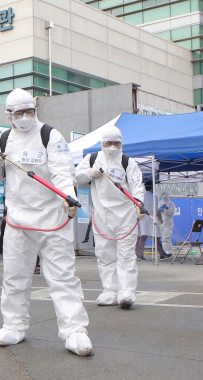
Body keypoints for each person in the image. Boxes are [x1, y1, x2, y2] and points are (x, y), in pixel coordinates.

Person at [0, 88, 92, 356]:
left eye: (29, 111)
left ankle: (74, 331)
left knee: (63, 277)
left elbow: (63, 170)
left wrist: (68, 197)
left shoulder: (50, 135)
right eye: (19, 113)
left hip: (52, 217)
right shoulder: (4, 139)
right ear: (9, 114)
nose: (25, 117)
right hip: (19, 219)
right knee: (14, 275)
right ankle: (14, 325)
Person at [75, 126, 146, 309]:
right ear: (102, 143)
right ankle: (109, 290)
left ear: (121, 143)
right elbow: (75, 176)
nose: (112, 146)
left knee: (126, 255)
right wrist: (90, 173)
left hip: (126, 216)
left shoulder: (127, 162)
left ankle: (126, 292)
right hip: (101, 216)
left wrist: (139, 204)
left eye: (116, 143)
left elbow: (137, 185)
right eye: (109, 143)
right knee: (104, 254)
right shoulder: (92, 159)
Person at [135, 181, 168, 260]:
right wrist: (160, 210)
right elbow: (155, 210)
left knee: (143, 236)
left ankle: (139, 254)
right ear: (152, 188)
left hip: (143, 218)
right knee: (156, 237)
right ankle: (161, 253)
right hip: (151, 218)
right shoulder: (154, 197)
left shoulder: (141, 196)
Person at [159, 191, 176, 256]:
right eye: (163, 195)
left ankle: (167, 251)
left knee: (165, 238)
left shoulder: (171, 204)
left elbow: (171, 212)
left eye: (165, 195)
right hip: (162, 222)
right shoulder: (160, 203)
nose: (164, 196)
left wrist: (164, 210)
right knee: (164, 237)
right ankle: (168, 251)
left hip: (168, 222)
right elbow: (157, 211)